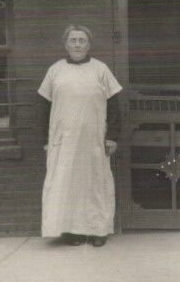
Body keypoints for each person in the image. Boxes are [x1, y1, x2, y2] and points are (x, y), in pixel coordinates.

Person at [38, 25, 122, 247]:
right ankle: (72, 232)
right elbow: (44, 108)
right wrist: (46, 141)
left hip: (93, 140)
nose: (77, 44)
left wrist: (112, 136)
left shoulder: (100, 70)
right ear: (65, 44)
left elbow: (114, 106)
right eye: (73, 40)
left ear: (88, 44)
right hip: (63, 141)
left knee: (95, 184)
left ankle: (98, 231)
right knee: (67, 185)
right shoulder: (55, 70)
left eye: (81, 40)